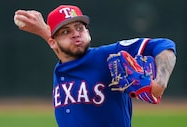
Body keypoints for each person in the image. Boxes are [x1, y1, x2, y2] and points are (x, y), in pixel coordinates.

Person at [14, 5, 176, 127]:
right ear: (52, 41)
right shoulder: (62, 67)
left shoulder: (106, 56)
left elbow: (164, 45)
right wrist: (43, 30)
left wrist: (160, 83)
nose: (76, 33)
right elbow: (63, 50)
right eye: (66, 31)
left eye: (80, 28)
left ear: (88, 32)